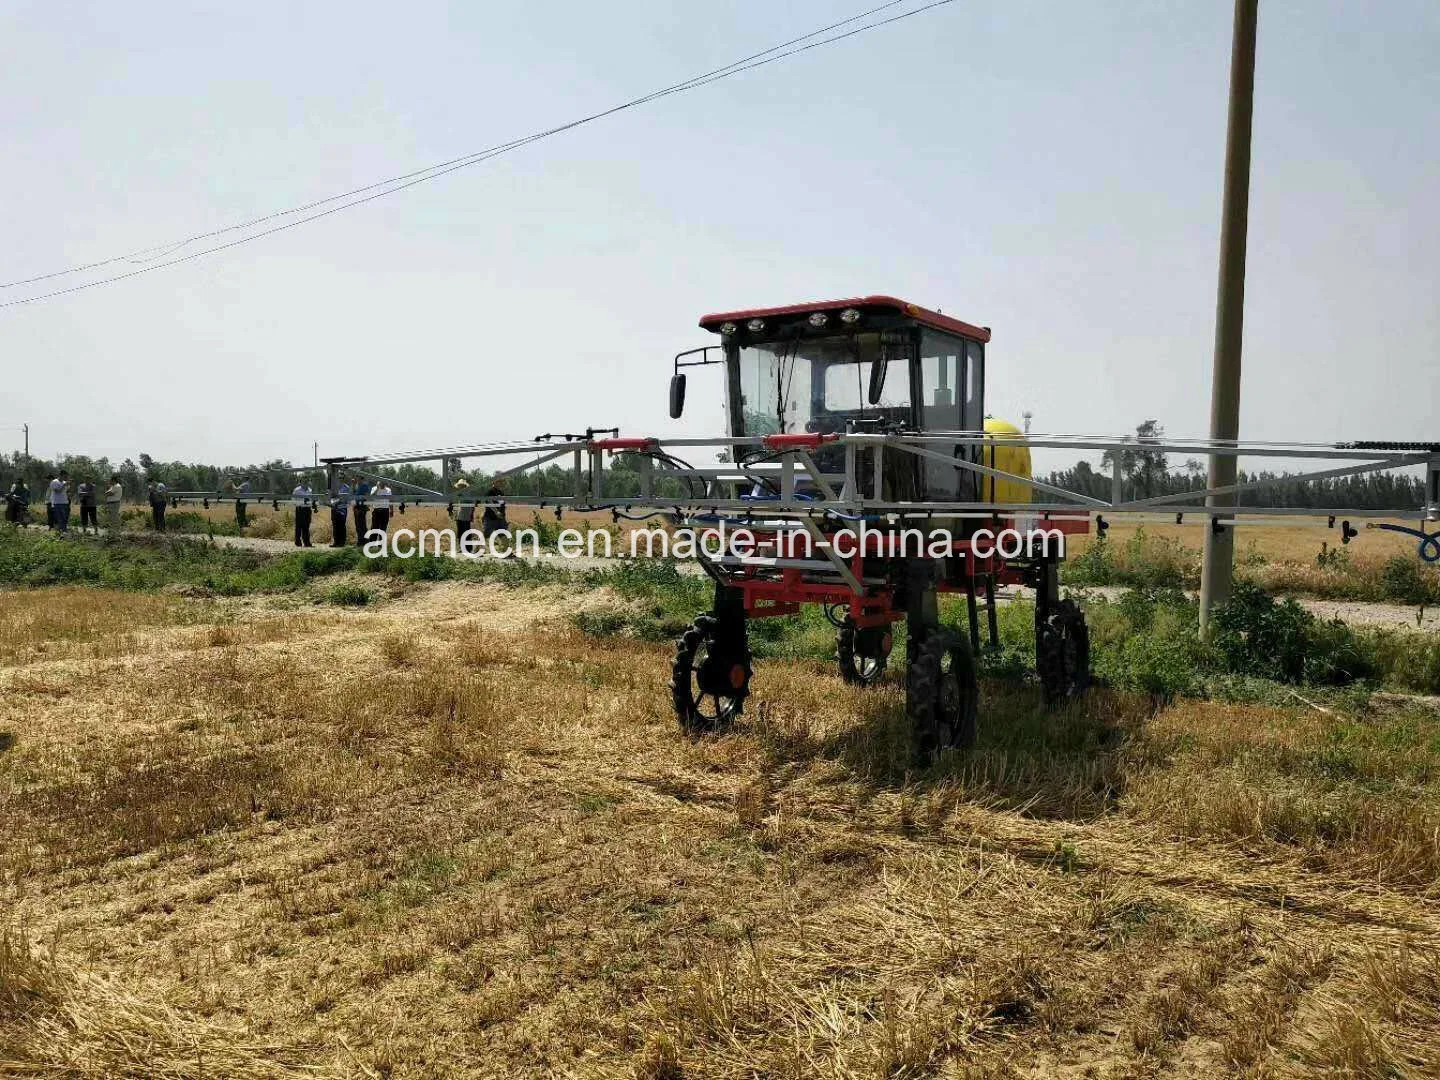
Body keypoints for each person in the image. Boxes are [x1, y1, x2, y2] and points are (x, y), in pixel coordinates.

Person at [481, 483, 508, 554]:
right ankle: (476, 550)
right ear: (493, 482)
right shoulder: (489, 492)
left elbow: (503, 504)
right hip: (490, 517)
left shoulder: (501, 492)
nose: (500, 483)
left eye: (501, 481)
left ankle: (506, 551)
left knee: (503, 534)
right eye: (498, 481)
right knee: (485, 534)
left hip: (500, 518)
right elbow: (488, 502)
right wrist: (496, 512)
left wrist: (502, 514)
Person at [453, 477, 476, 548]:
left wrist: (471, 514)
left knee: (466, 531)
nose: (461, 487)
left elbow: (472, 505)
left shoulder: (467, 494)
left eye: (462, 486)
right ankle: (462, 547)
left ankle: (468, 547)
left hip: (466, 514)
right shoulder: (459, 494)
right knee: (461, 531)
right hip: (460, 515)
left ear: (465, 486)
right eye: (460, 486)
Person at [292, 481, 314, 547]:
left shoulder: (310, 490)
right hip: (300, 508)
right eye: (304, 481)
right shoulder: (297, 490)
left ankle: (306, 542)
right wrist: (302, 502)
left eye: (307, 481)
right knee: (299, 526)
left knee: (307, 526)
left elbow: (311, 499)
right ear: (301, 482)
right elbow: (293, 500)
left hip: (308, 509)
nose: (306, 483)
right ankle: (298, 542)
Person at [351, 475, 372, 546]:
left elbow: (366, 496)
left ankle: (364, 540)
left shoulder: (364, 486)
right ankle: (360, 540)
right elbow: (353, 494)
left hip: (362, 506)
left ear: (361, 478)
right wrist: (353, 485)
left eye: (358, 477)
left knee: (362, 524)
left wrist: (364, 506)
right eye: (356, 477)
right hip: (356, 505)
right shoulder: (356, 485)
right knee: (358, 524)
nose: (356, 479)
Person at [329, 480, 351, 547]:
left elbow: (346, 498)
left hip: (342, 508)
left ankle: (342, 543)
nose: (340, 479)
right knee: (335, 526)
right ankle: (336, 542)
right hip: (334, 508)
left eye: (341, 477)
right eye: (338, 477)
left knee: (342, 526)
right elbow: (330, 496)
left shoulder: (347, 487)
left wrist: (338, 501)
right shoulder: (333, 487)